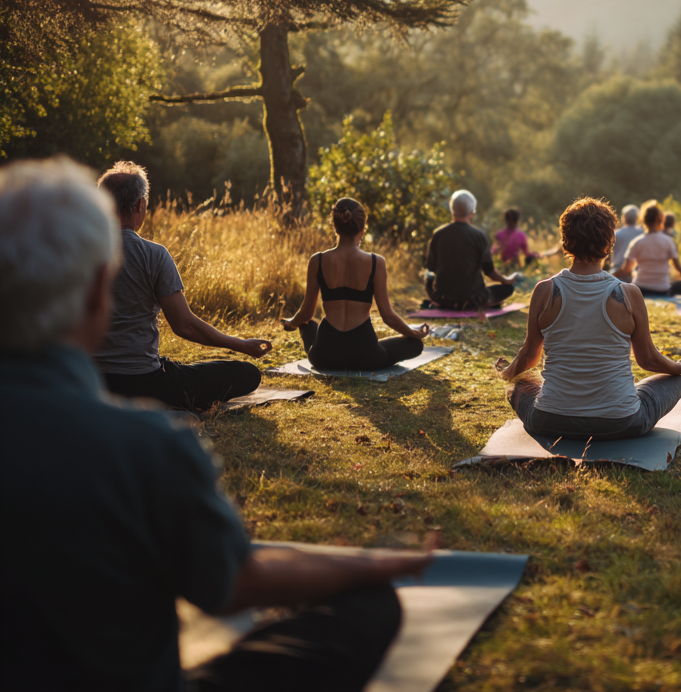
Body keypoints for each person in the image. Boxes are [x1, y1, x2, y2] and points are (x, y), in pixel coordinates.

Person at [0, 158, 435, 692]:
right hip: (154, 385)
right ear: (95, 294)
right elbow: (231, 583)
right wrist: (369, 567)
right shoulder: (152, 447)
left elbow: (301, 315)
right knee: (369, 608)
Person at [496, 196, 681, 440]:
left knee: (517, 384)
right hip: (622, 423)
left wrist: (506, 373)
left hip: (548, 421)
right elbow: (647, 360)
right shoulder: (629, 294)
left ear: (565, 240)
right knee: (674, 382)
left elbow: (529, 357)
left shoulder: (544, 290)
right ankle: (618, 397)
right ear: (609, 241)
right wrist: (680, 367)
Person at [93, 161, 268, 412]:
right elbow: (184, 325)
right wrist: (241, 344)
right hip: (144, 383)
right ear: (140, 204)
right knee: (247, 373)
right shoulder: (154, 255)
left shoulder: (75, 252)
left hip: (91, 381)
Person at [280, 198, 429, 371]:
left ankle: (319, 342)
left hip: (324, 357)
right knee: (415, 345)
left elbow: (306, 313)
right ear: (363, 227)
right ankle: (373, 348)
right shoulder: (376, 262)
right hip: (366, 357)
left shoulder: (317, 260)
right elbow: (388, 315)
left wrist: (291, 324)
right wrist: (412, 333)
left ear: (335, 226)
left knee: (307, 324)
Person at [424, 190, 519, 311]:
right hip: (473, 299)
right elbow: (489, 272)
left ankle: (445, 302)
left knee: (428, 278)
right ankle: (486, 302)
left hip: (442, 298)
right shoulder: (479, 236)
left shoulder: (438, 234)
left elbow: (430, 267)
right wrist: (505, 280)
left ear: (452, 210)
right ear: (472, 213)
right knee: (508, 289)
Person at [613, 201, 681, 297]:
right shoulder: (668, 241)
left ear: (643, 219)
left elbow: (626, 270)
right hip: (662, 289)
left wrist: (609, 276)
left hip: (640, 288)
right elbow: (678, 267)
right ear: (659, 220)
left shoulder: (637, 242)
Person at [492, 207, 558, 267]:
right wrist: (539, 255)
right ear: (518, 220)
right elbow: (527, 253)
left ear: (505, 220)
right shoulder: (520, 235)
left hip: (500, 265)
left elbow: (494, 251)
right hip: (515, 265)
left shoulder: (499, 234)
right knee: (530, 259)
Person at [611, 204, 644, 274]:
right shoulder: (642, 233)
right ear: (637, 218)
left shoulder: (616, 234)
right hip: (637, 271)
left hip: (617, 271)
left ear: (623, 218)